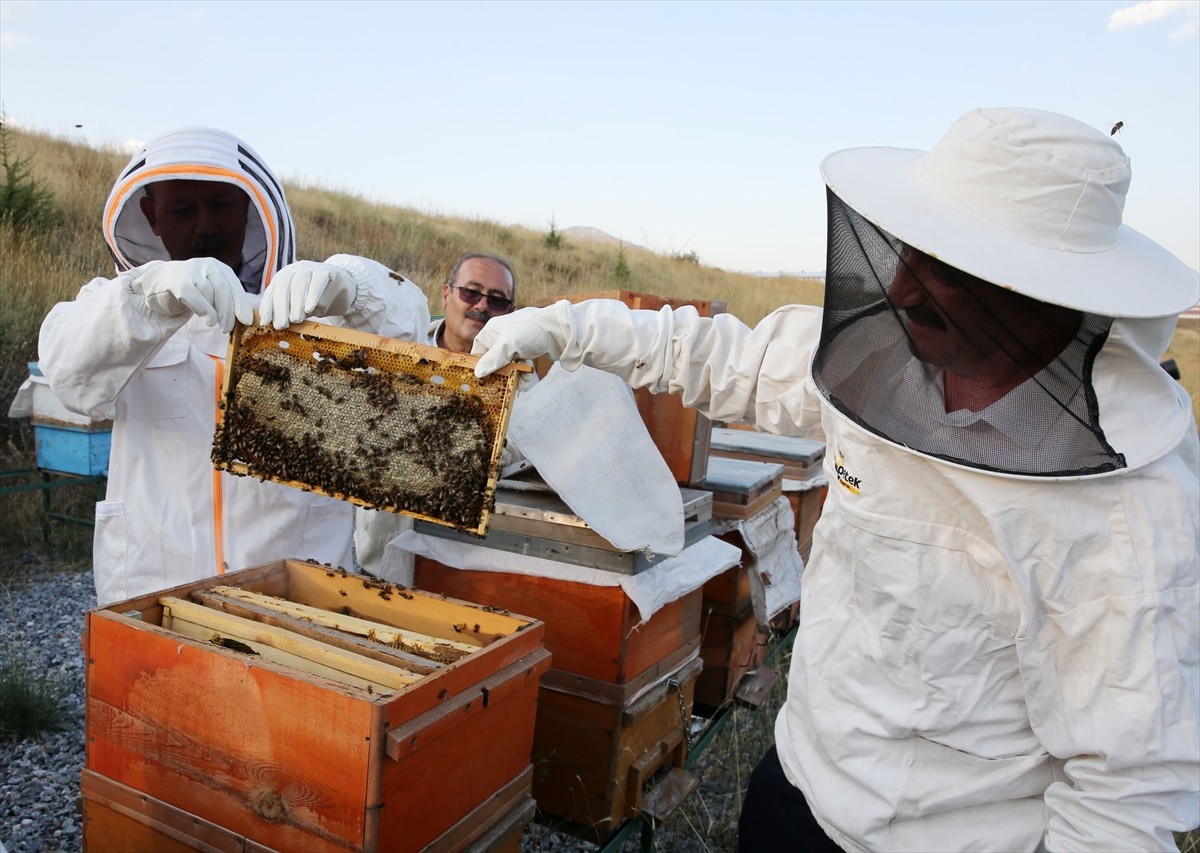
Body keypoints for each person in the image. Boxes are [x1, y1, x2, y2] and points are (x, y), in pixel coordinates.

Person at [471, 108, 1200, 851]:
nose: (904, 287)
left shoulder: (1131, 510)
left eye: (947, 269)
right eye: (912, 250)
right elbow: (723, 358)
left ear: (1040, 289)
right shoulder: (883, 350)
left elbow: (1123, 793)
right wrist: (566, 328)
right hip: (798, 783)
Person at [39, 126, 430, 606]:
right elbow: (69, 375)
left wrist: (350, 284)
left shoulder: (307, 302)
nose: (205, 225)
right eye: (183, 209)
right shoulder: (118, 304)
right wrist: (152, 298)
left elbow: (412, 329)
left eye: (221, 205)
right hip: (157, 587)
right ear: (151, 215)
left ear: (248, 208)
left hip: (295, 589)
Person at [354, 252, 518, 577]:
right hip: (374, 557)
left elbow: (522, 452)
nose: (482, 306)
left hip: (460, 569)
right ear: (446, 294)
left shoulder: (521, 380)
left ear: (510, 313)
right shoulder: (398, 351)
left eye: (497, 301)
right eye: (471, 292)